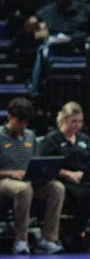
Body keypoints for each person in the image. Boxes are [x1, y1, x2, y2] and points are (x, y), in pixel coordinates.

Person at [0, 97, 65, 254]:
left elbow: (37, 163)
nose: (22, 126)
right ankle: (21, 240)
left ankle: (49, 238)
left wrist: (42, 174)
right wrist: (11, 173)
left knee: (57, 188)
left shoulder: (30, 136)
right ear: (9, 116)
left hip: (29, 181)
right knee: (23, 189)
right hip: (0, 182)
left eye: (25, 123)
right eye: (19, 122)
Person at [39, 101, 90, 251]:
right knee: (84, 195)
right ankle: (76, 232)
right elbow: (45, 164)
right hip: (62, 179)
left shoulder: (84, 139)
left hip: (84, 178)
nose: (77, 125)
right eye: (73, 121)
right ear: (64, 119)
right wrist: (67, 173)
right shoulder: (52, 139)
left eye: (80, 121)